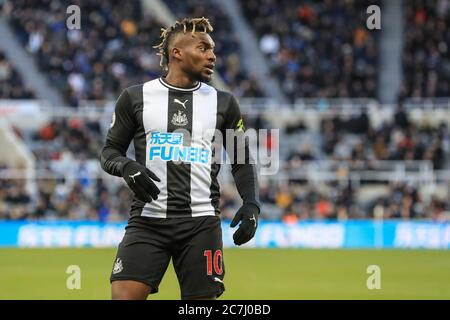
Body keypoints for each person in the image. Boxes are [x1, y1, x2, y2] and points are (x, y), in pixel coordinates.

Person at [100, 17, 260, 300]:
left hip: (201, 224)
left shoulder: (224, 102)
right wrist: (127, 166)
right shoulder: (135, 97)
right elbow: (109, 152)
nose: (212, 55)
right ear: (177, 53)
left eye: (213, 50)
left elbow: (241, 160)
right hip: (147, 220)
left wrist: (252, 205)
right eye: (203, 48)